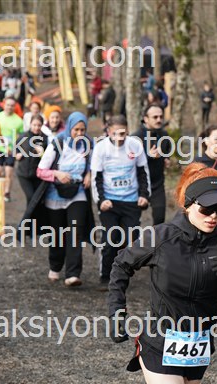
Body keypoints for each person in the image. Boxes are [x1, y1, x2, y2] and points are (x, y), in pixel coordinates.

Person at [108, 163, 217, 384]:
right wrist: (116, 313)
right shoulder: (160, 237)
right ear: (189, 204)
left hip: (198, 348)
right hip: (159, 342)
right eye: (206, 209)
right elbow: (120, 266)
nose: (213, 216)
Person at [91, 115, 150, 286]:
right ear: (108, 132)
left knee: (130, 239)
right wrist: (101, 200)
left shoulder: (135, 145)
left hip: (131, 200)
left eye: (123, 133)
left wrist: (144, 195)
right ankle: (105, 275)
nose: (119, 137)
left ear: (128, 131)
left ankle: (121, 274)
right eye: (115, 133)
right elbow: (96, 178)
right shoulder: (101, 148)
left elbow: (143, 172)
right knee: (111, 239)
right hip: (109, 202)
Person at [36, 112, 93, 286]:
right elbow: (40, 171)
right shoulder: (58, 143)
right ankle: (55, 266)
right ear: (69, 128)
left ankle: (73, 273)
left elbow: (93, 164)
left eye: (83, 130)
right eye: (76, 130)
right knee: (58, 234)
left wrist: (89, 174)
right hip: (55, 193)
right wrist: (57, 174)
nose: (79, 134)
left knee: (76, 231)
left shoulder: (88, 144)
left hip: (78, 192)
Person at [131, 104, 171, 225]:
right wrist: (148, 156)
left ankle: (154, 237)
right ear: (146, 119)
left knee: (159, 219)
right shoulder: (135, 138)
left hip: (157, 184)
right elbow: (129, 162)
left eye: (161, 117)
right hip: (138, 185)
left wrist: (166, 159)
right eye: (155, 117)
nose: (159, 120)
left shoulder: (164, 135)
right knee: (132, 222)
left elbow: (166, 151)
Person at [0, 97, 24, 202]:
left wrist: (18, 149)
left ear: (15, 107)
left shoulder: (19, 121)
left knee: (8, 171)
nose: (10, 107)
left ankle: (7, 193)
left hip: (11, 150)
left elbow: (22, 136)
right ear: (4, 105)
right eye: (8, 105)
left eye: (12, 105)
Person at [16, 115, 49, 205]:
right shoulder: (23, 136)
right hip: (24, 174)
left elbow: (49, 157)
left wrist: (41, 153)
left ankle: (31, 214)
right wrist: (17, 154)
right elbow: (16, 149)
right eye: (34, 125)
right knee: (31, 197)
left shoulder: (45, 139)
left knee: (37, 199)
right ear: (30, 124)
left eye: (39, 125)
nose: (36, 128)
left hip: (38, 175)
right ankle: (29, 214)